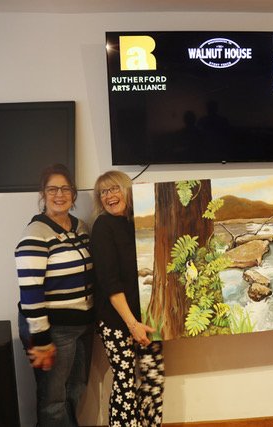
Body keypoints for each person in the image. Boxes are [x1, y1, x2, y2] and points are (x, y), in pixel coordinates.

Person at [15, 164, 94, 426]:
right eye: (52, 189)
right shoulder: (36, 234)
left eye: (65, 188)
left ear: (73, 193)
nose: (59, 194)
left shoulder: (79, 227)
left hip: (82, 326)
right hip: (55, 329)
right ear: (43, 193)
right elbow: (30, 291)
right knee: (53, 400)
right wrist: (41, 339)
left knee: (77, 389)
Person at [90, 170, 165, 427]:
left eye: (115, 189)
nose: (110, 196)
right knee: (126, 384)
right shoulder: (102, 227)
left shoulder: (137, 223)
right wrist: (132, 324)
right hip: (118, 320)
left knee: (153, 382)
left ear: (127, 191)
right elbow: (110, 284)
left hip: (148, 317)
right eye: (104, 192)